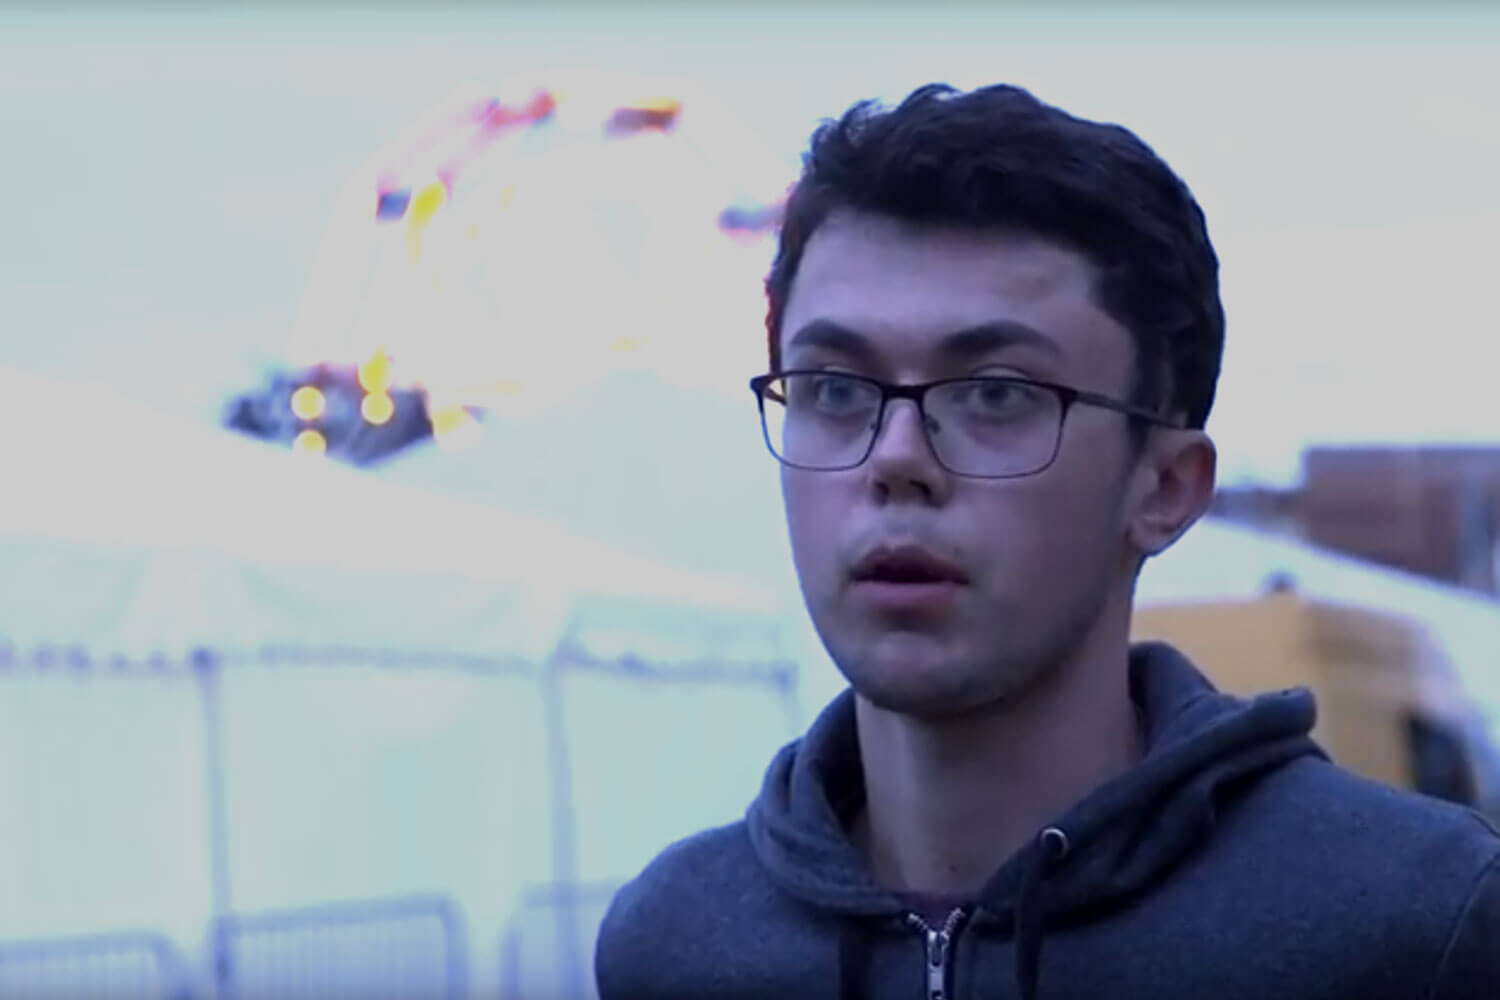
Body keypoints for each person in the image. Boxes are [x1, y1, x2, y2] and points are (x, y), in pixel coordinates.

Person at [593, 83, 1500, 999]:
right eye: (833, 388)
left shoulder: (1411, 929)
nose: (898, 458)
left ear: (1164, 487)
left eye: (997, 392)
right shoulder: (676, 942)